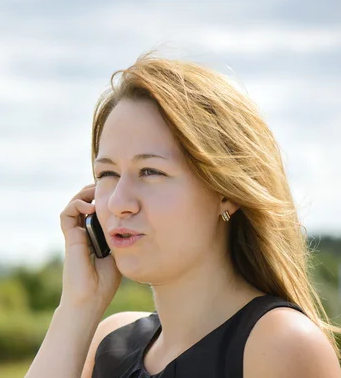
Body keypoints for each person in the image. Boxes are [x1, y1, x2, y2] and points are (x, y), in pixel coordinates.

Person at [24, 53, 341, 377]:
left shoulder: (281, 345)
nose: (119, 202)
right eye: (107, 174)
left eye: (150, 171)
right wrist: (78, 307)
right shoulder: (109, 343)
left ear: (227, 193)